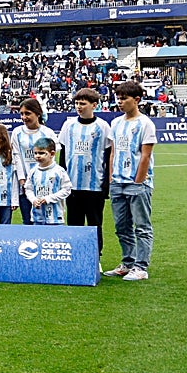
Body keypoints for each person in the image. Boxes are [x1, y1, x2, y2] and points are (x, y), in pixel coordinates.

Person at [103, 80, 156, 281]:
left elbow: (145, 155)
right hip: (118, 182)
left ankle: (141, 267)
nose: (119, 102)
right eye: (118, 98)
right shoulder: (115, 123)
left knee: (142, 226)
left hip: (137, 183)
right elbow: (113, 153)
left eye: (124, 98)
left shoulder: (146, 124)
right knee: (121, 226)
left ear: (137, 100)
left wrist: (139, 181)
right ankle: (128, 262)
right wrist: (111, 179)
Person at [58, 88, 113, 253]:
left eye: (83, 103)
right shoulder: (69, 125)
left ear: (94, 105)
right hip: (72, 185)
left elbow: (109, 155)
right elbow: (63, 153)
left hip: (94, 185)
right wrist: (62, 180)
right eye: (76, 103)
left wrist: (107, 185)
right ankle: (76, 256)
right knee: (74, 225)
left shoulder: (103, 126)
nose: (79, 106)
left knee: (95, 224)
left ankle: (96, 258)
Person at [12, 98, 58, 225]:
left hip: (44, 184)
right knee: (27, 220)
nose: (24, 117)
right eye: (21, 114)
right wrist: (22, 179)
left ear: (37, 113)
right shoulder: (17, 133)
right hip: (25, 184)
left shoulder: (47, 132)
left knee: (47, 220)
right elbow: (17, 157)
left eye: (27, 113)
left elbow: (53, 157)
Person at [25, 137, 72, 225]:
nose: (38, 156)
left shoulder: (59, 171)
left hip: (55, 219)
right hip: (37, 218)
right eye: (35, 153)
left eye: (42, 153)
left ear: (52, 154)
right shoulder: (33, 171)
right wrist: (33, 200)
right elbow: (28, 189)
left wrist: (49, 198)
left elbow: (67, 189)